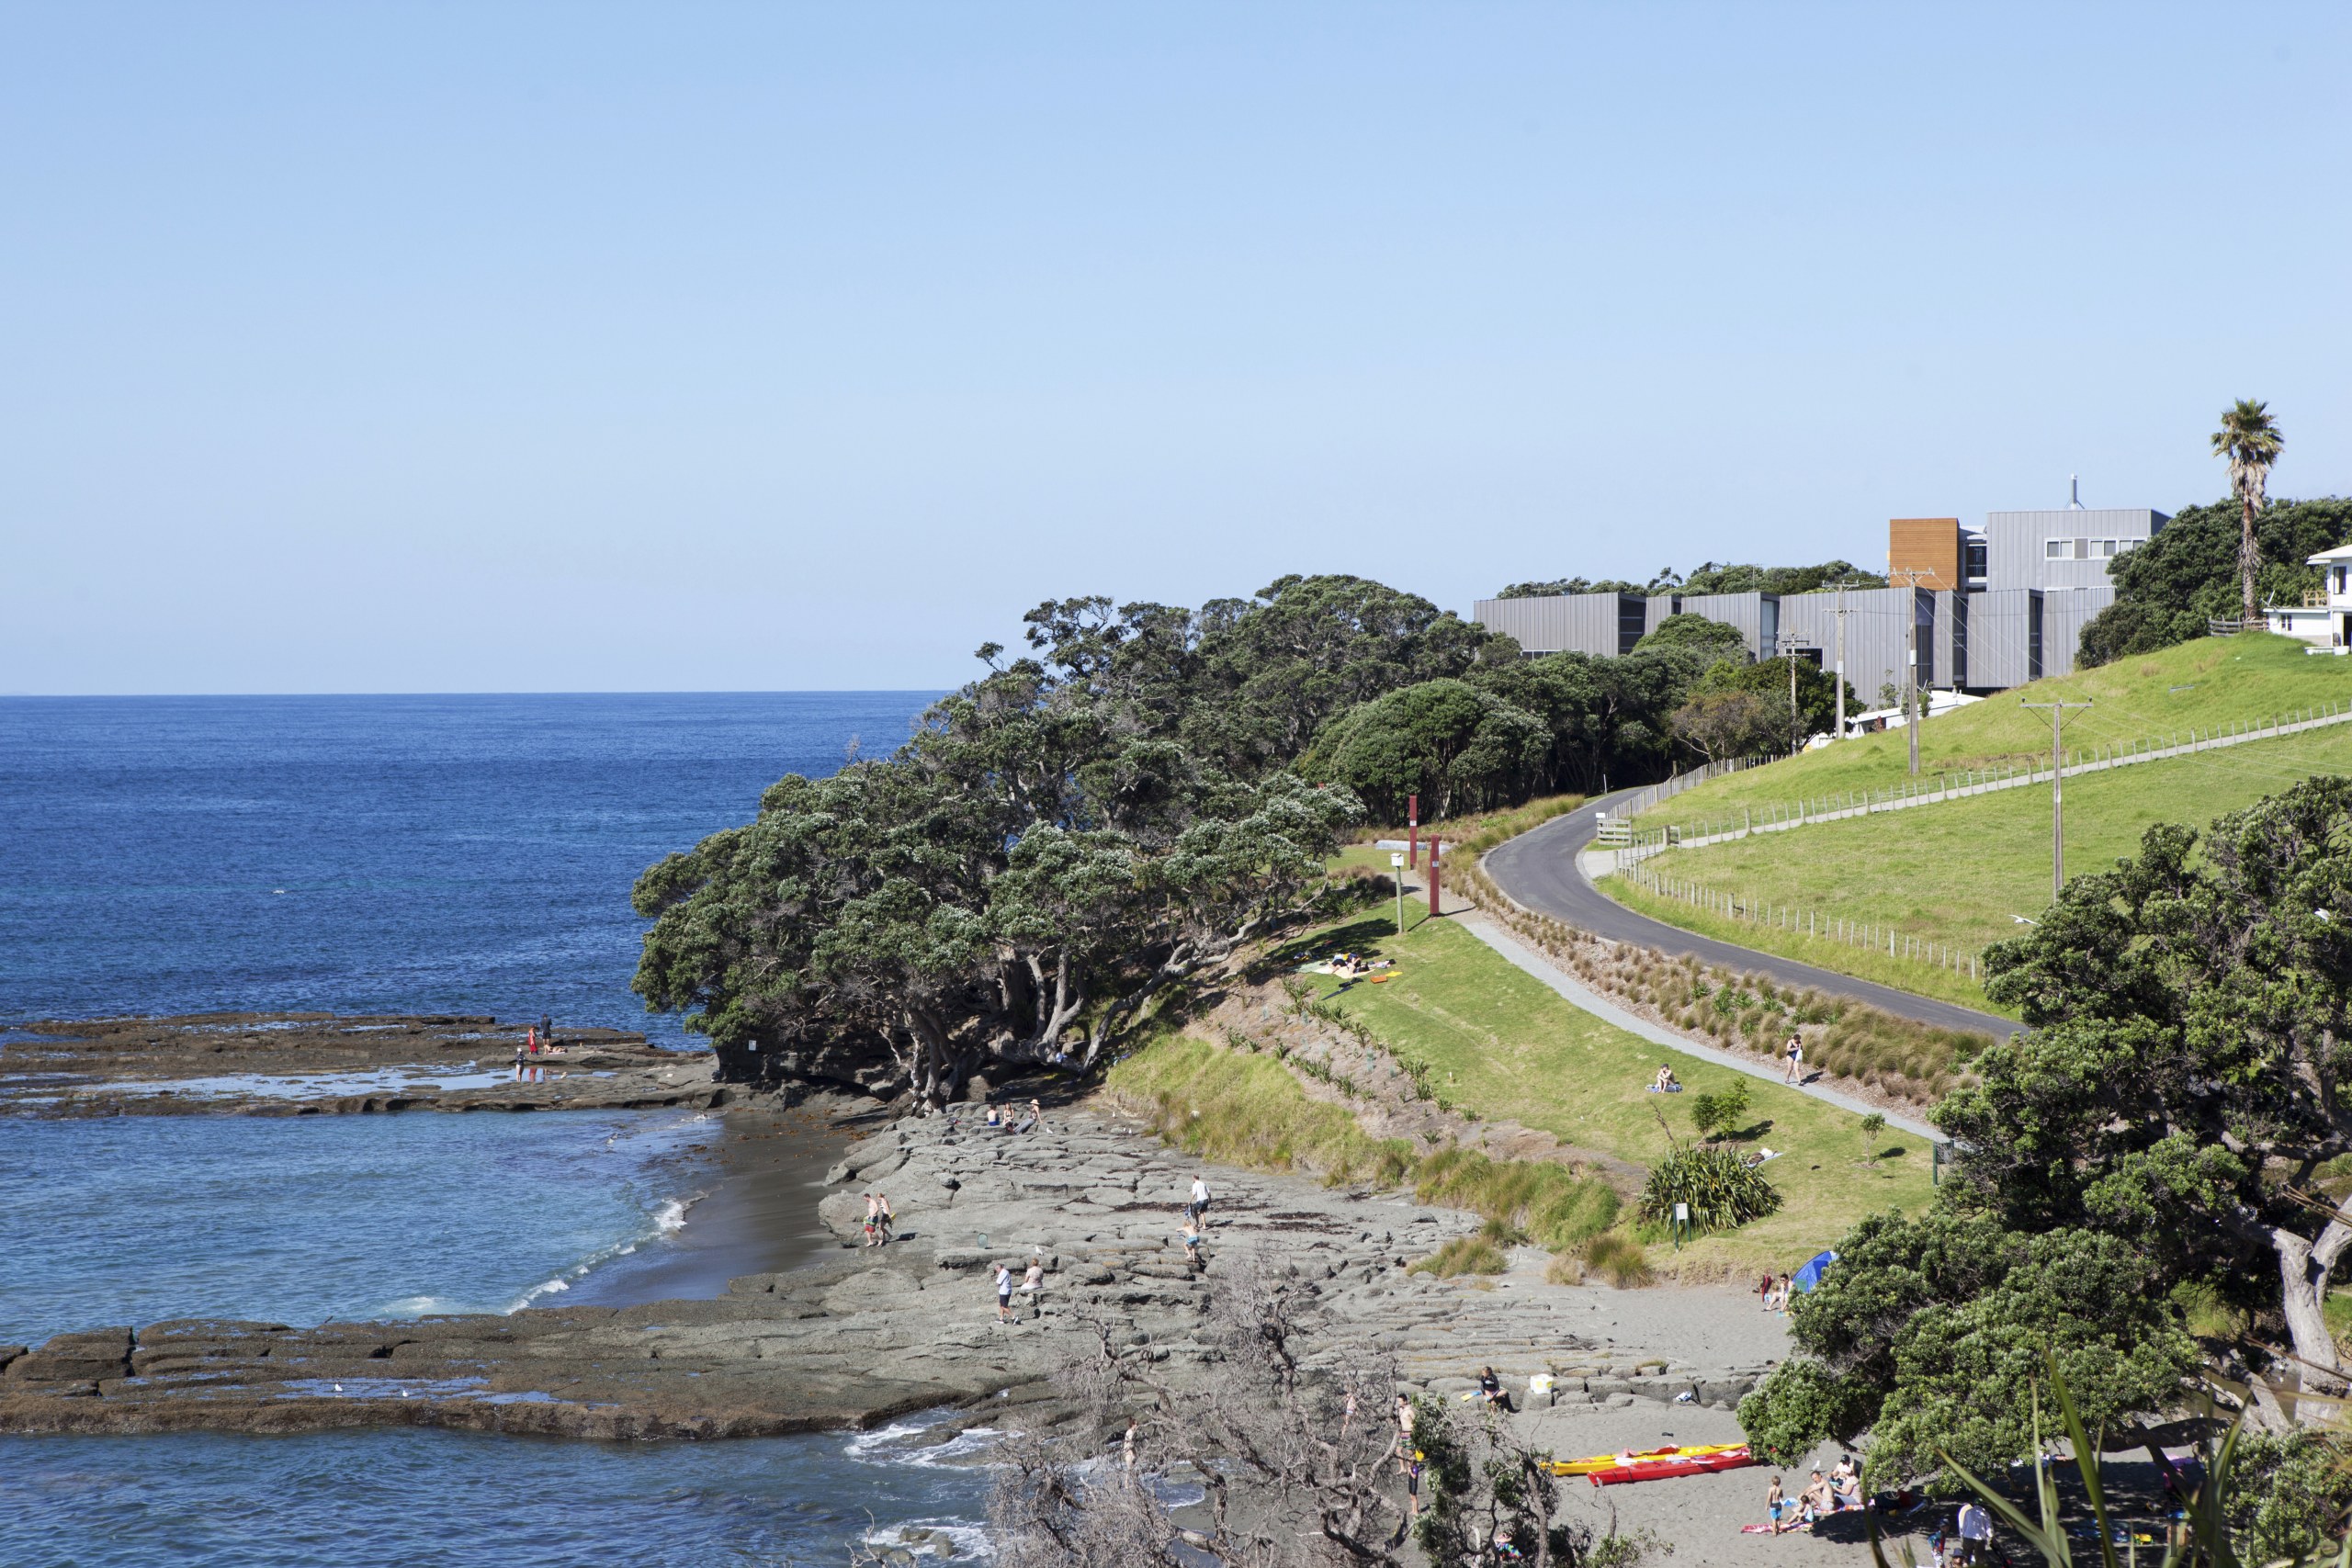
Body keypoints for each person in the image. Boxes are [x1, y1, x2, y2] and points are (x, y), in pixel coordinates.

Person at [1956, 1499, 1993, 1564]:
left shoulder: (1968, 1512)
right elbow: (1989, 1529)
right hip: (1980, 1539)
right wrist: (1992, 1537)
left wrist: (1962, 1537)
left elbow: (1964, 1526)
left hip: (1967, 1537)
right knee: (1980, 1560)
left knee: (1965, 1558)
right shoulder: (1986, 1513)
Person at [994, 1261, 1014, 1325]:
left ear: (998, 1268)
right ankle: (1001, 1319)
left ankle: (1014, 1317)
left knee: (1004, 1306)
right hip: (1007, 1291)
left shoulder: (1002, 1273)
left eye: (996, 1270)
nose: (997, 1271)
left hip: (1004, 1292)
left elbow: (998, 1283)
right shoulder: (1006, 1271)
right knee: (1001, 1305)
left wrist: (997, 1284)